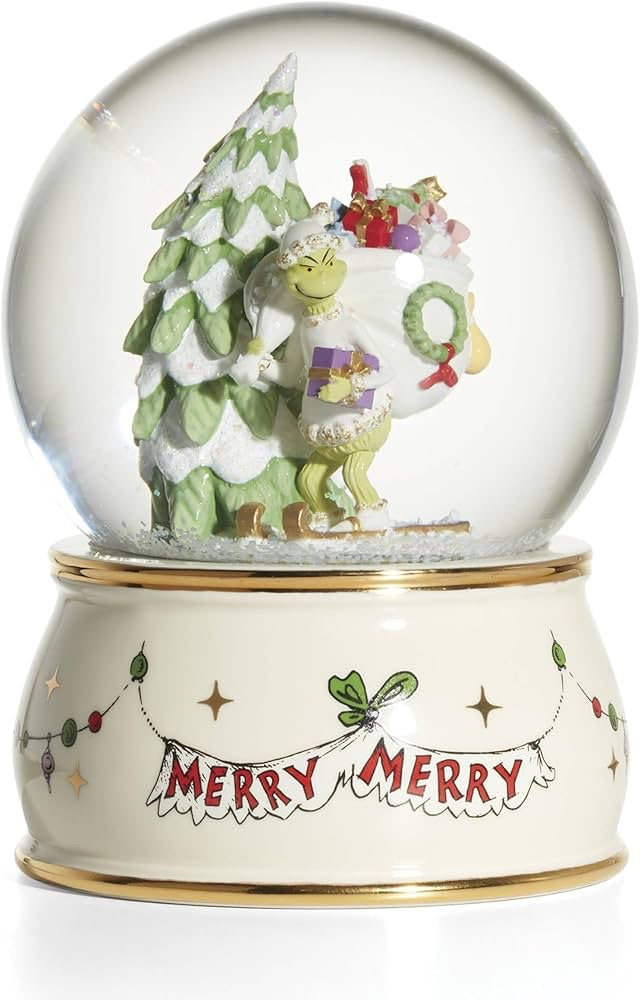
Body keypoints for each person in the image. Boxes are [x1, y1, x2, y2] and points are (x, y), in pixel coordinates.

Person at [231, 206, 394, 532]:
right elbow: (290, 375)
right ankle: (326, 520)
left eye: (329, 263)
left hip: (362, 421)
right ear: (291, 281)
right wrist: (262, 364)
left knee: (354, 473)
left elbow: (385, 371)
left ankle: (373, 518)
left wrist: (350, 386)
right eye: (310, 268)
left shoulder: (347, 323)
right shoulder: (304, 329)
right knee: (308, 479)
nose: (322, 275)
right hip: (325, 427)